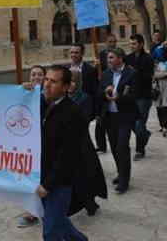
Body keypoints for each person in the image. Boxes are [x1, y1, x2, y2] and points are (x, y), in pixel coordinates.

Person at [38, 65, 88, 241]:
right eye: (46, 79)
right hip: (42, 176)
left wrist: (48, 185)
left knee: (51, 231)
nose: (46, 85)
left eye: (53, 81)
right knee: (57, 221)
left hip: (59, 183)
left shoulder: (73, 113)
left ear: (66, 87)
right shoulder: (46, 104)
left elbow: (68, 155)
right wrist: (24, 92)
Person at [68, 69, 107, 216]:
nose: (70, 84)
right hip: (66, 145)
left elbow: (85, 120)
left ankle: (89, 202)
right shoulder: (61, 97)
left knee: (85, 174)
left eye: (73, 81)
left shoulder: (84, 98)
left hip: (81, 143)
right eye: (68, 81)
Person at [99, 48, 137, 194]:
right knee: (114, 147)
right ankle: (121, 173)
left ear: (120, 58)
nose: (108, 61)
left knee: (122, 147)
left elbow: (135, 94)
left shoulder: (131, 73)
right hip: (110, 116)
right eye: (108, 58)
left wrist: (119, 97)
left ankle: (124, 180)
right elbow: (98, 92)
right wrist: (105, 92)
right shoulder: (106, 74)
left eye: (111, 58)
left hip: (124, 116)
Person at [17, 65, 47, 228]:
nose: (36, 77)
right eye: (33, 74)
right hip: (27, 143)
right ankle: (31, 211)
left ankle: (37, 211)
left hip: (44, 142)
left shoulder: (48, 94)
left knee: (40, 176)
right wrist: (21, 91)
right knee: (29, 175)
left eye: (40, 75)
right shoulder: (25, 93)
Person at [126, 34, 155, 160]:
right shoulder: (128, 58)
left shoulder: (148, 58)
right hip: (132, 95)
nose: (132, 46)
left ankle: (139, 150)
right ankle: (145, 135)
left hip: (144, 96)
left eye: (134, 43)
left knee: (139, 123)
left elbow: (148, 77)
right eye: (131, 43)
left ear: (141, 44)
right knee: (132, 122)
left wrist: (134, 72)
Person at [95, 35, 117, 153]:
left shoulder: (120, 53)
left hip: (115, 87)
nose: (112, 43)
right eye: (110, 41)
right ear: (106, 42)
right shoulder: (101, 54)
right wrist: (97, 67)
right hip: (104, 86)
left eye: (114, 41)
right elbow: (98, 71)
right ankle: (101, 145)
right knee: (100, 120)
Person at [153, 51, 167, 137]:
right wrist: (165, 74)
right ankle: (162, 125)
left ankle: (165, 126)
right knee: (159, 107)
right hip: (158, 87)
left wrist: (161, 75)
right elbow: (154, 75)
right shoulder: (156, 64)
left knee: (165, 107)